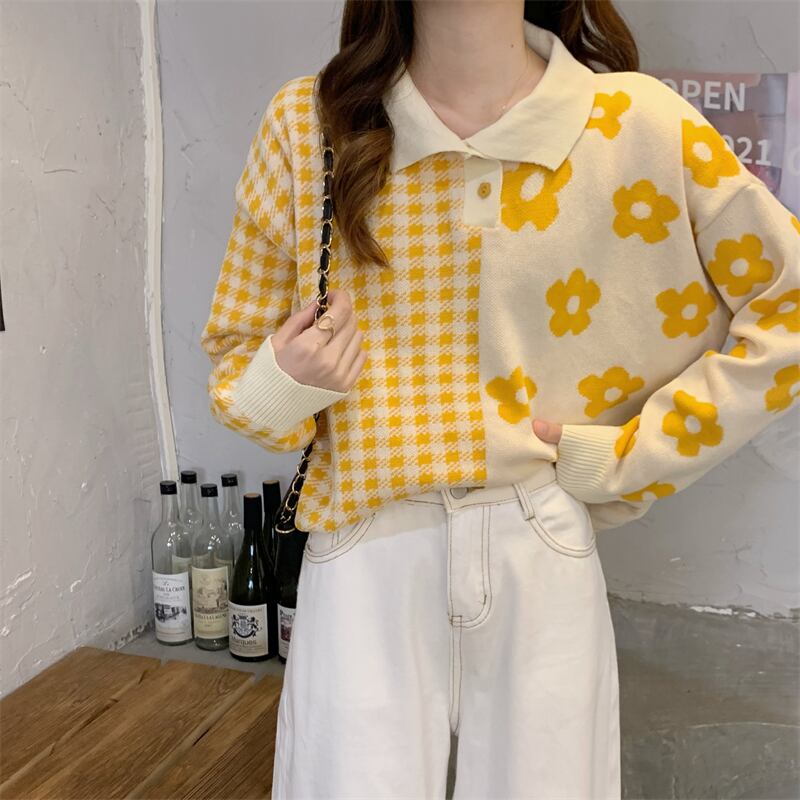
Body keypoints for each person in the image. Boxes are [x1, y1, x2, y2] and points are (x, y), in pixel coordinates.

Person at [199, 1, 799, 797]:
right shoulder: (310, 124)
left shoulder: (634, 123)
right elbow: (236, 373)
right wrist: (289, 378)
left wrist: (631, 455)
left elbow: (788, 306)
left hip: (537, 539)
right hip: (364, 545)